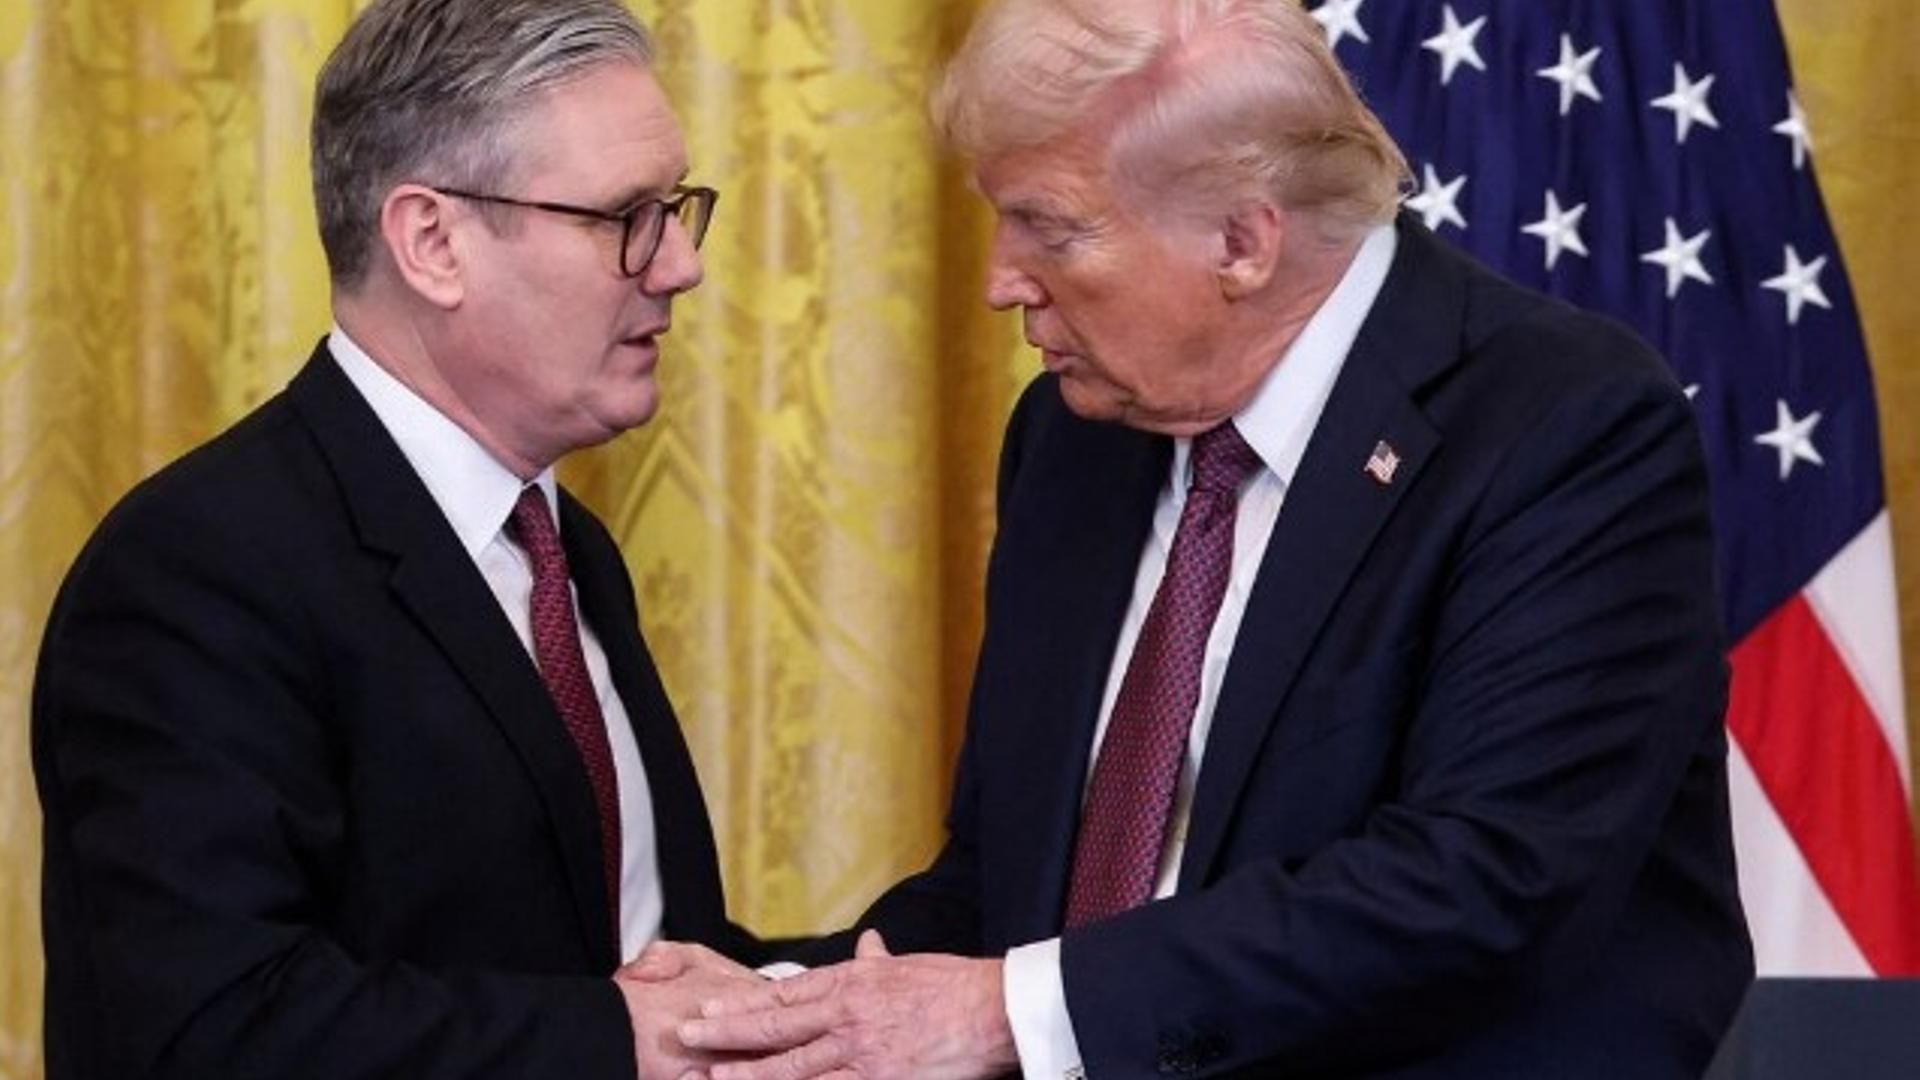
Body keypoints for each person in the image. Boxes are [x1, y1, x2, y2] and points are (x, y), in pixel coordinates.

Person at [658, 0, 1753, 1076]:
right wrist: (778, 1012)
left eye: (1050, 228)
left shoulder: (1562, 429)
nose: (999, 281)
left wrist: (1003, 1017)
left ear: (1241, 241)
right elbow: (1010, 887)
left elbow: (1476, 885)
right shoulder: (1075, 437)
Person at [31, 0, 763, 1075]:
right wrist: (619, 1041)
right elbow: (208, 1027)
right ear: (432, 243)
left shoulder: (568, 550)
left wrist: (898, 1002)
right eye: (626, 218)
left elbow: (624, 959)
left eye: (675, 210)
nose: (680, 266)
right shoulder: (195, 572)